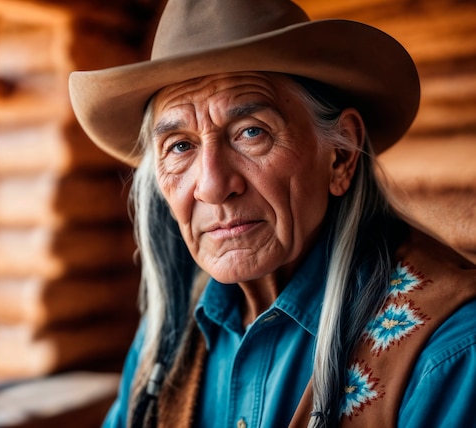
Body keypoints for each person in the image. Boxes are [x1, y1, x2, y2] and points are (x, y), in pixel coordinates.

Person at [69, 0, 476, 426]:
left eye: (251, 132)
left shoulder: (448, 351)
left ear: (339, 156)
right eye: (181, 146)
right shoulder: (168, 340)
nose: (212, 185)